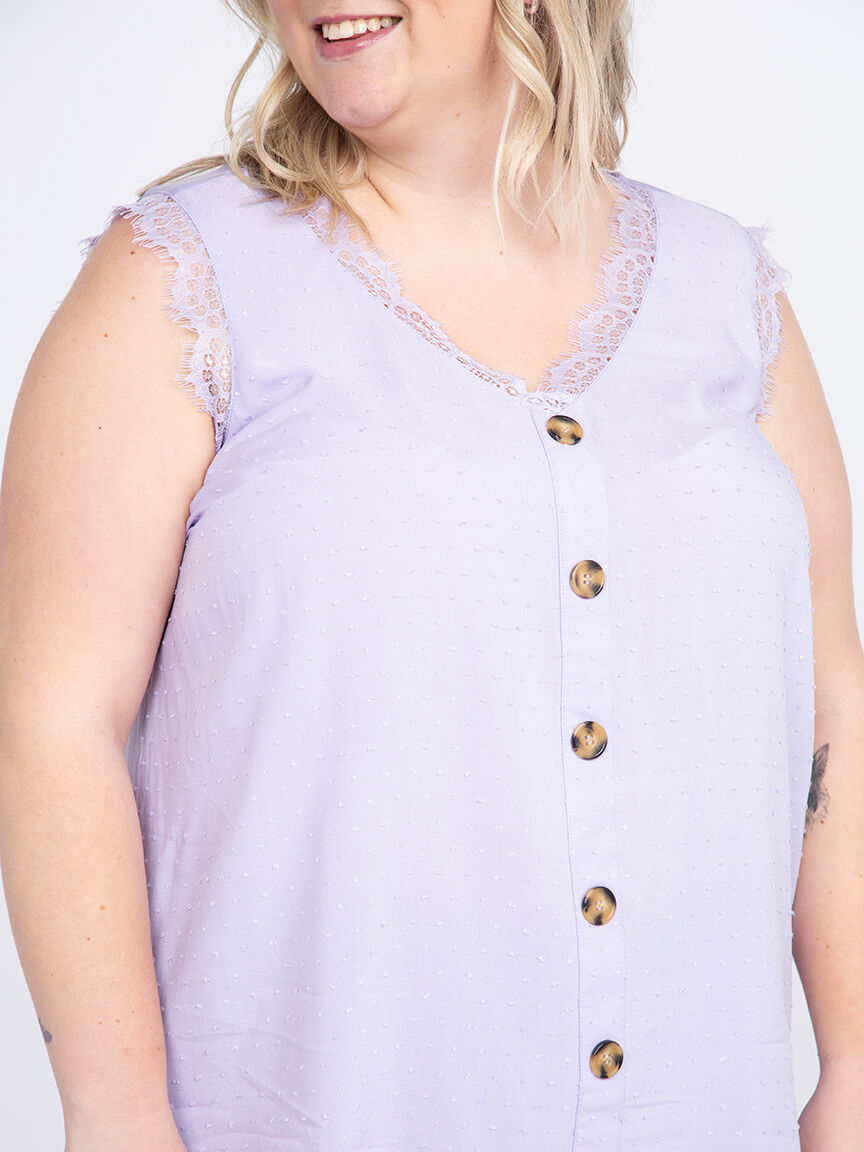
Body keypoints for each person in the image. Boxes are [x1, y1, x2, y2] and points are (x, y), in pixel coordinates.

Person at [0, 1, 862, 1149]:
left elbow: (830, 703)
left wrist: (855, 1061)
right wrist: (115, 1117)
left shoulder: (728, 295)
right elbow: (52, 716)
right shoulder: (178, 279)